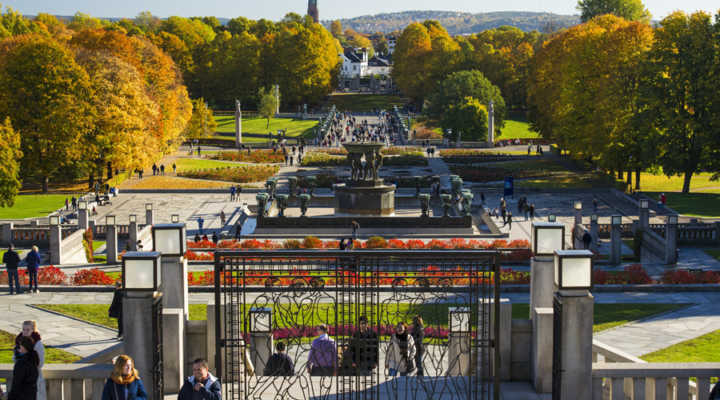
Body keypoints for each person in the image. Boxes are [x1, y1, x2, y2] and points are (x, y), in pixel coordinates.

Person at [14, 321, 45, 400]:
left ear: (33, 330)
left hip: (33, 377)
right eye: (23, 329)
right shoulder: (18, 341)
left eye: (28, 330)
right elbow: (14, 358)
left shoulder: (38, 343)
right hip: (20, 376)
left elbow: (40, 362)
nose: (25, 332)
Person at [8, 336, 39, 400]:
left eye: (19, 345)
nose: (17, 348)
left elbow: (16, 384)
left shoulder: (21, 363)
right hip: (31, 395)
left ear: (24, 347)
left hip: (21, 396)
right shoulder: (34, 359)